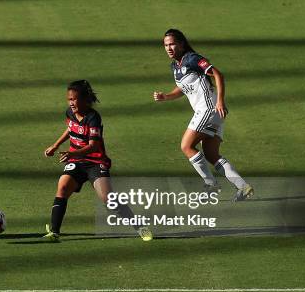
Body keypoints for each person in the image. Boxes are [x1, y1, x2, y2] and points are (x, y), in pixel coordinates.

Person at [43, 80, 152, 242]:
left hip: (95, 162)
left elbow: (93, 146)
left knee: (108, 199)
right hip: (77, 162)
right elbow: (70, 128)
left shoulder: (93, 117)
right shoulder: (70, 113)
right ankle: (54, 232)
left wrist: (73, 154)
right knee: (63, 186)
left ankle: (140, 227)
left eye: (75, 99)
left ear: (85, 100)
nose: (72, 103)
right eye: (69, 99)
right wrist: (55, 145)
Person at [153, 29, 253, 201]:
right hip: (212, 113)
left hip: (209, 109)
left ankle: (211, 184)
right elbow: (184, 88)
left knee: (186, 146)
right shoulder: (175, 66)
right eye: (166, 45)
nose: (169, 48)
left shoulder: (192, 58)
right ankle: (243, 187)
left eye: (172, 44)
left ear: (181, 44)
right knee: (211, 154)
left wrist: (220, 101)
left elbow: (217, 74)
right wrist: (167, 96)